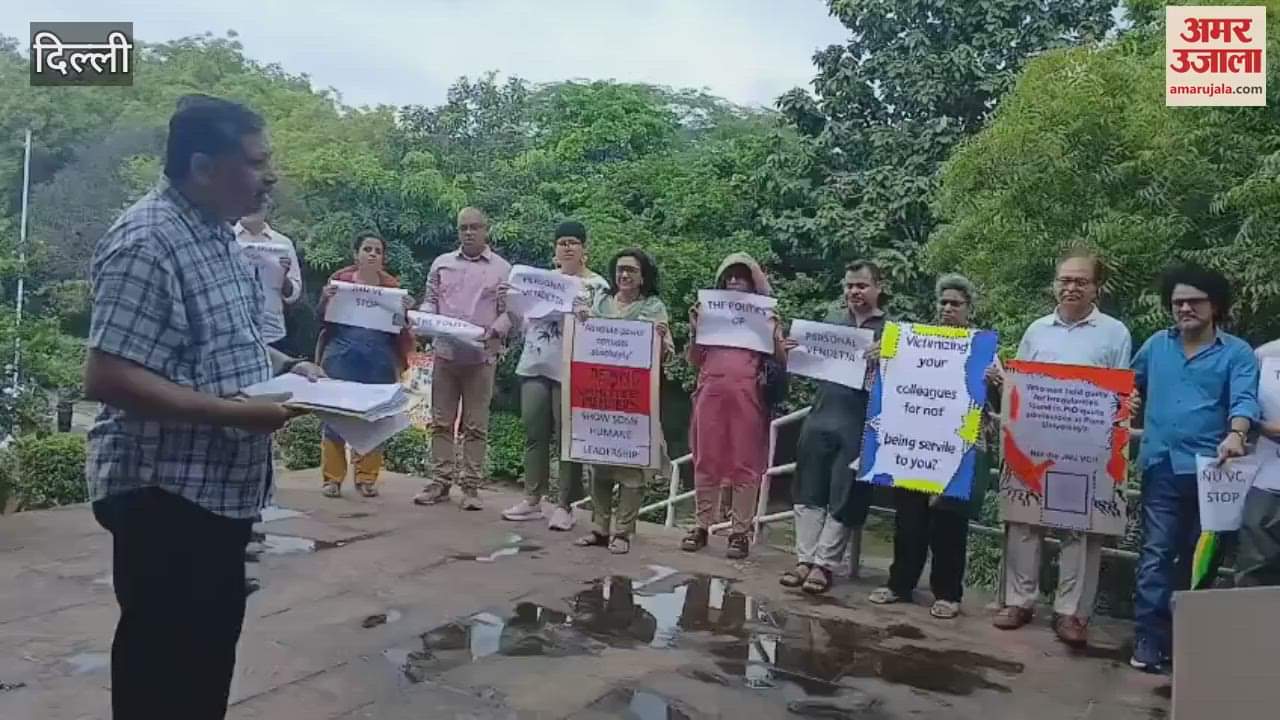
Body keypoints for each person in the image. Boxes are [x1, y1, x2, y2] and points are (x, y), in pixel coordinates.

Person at [83, 95, 323, 720]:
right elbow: (108, 376)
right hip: (163, 494)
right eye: (256, 162)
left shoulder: (218, 236)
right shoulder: (147, 241)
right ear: (202, 166)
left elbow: (231, 344)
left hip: (218, 494)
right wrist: (233, 414)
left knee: (206, 659)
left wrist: (292, 368)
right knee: (162, 671)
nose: (270, 175)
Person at [988, 251, 1132, 647]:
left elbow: (1122, 394)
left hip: (1086, 449)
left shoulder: (1115, 332)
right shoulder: (1037, 330)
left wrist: (1127, 402)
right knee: (1024, 523)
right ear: (1054, 283)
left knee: (1080, 531)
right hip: (1035, 444)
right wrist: (1002, 382)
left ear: (1095, 287)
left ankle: (1071, 613)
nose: (1071, 287)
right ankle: (1019, 601)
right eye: (1064, 280)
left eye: (1080, 281)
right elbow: (1020, 389)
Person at [1129, 263, 1259, 672]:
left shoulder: (1236, 353)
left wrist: (1237, 434)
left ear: (1214, 305)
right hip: (1161, 465)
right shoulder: (1155, 345)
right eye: (1177, 302)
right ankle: (1149, 640)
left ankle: (1186, 643)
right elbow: (1128, 384)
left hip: (1213, 471)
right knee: (1156, 552)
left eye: (1193, 301)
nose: (1184, 308)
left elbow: (1244, 402)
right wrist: (1128, 399)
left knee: (1199, 558)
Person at [869, 274, 991, 619]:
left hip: (958, 450)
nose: (948, 308)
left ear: (969, 308)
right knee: (908, 521)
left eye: (956, 303)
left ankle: (948, 594)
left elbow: (993, 405)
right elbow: (893, 383)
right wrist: (883, 357)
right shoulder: (916, 343)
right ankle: (899, 584)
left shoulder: (981, 349)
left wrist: (995, 382)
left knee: (950, 527)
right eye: (944, 302)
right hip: (915, 445)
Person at [779, 261, 887, 595]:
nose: (855, 291)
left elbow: (906, 380)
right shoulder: (830, 324)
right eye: (850, 285)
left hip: (861, 419)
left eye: (862, 285)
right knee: (809, 487)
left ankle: (824, 565)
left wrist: (887, 357)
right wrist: (788, 353)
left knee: (845, 490)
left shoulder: (892, 330)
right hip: (823, 412)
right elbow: (806, 367)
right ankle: (803, 559)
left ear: (878, 288)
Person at [502, 221, 610, 529]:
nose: (567, 247)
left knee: (568, 438)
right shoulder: (538, 281)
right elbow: (519, 318)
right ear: (554, 249)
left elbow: (603, 328)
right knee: (534, 433)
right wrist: (506, 299)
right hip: (535, 362)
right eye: (562, 242)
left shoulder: (597, 286)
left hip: (574, 368)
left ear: (584, 249)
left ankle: (565, 505)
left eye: (573, 242)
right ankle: (532, 499)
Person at [682, 252, 786, 559]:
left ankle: (740, 532)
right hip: (710, 392)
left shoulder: (764, 316)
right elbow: (693, 360)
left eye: (741, 276)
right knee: (705, 460)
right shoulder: (709, 313)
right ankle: (701, 525)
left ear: (753, 282)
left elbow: (782, 361)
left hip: (748, 395)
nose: (734, 281)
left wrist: (775, 336)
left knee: (746, 463)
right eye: (729, 276)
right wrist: (694, 329)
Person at [573, 248, 673, 555]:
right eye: (620, 270)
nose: (624, 275)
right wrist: (581, 319)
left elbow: (667, 351)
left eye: (631, 270)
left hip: (635, 400)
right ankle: (600, 528)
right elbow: (580, 336)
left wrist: (661, 336)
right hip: (598, 396)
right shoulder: (599, 302)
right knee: (599, 463)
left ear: (643, 276)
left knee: (632, 469)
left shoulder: (653, 308)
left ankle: (623, 532)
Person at [413, 207, 514, 511]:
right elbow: (430, 299)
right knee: (441, 422)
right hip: (445, 353)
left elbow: (511, 311)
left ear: (487, 230)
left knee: (476, 425)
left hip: (482, 356)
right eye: (463, 228)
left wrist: (494, 331)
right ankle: (441, 481)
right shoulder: (442, 264)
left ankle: (471, 486)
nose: (469, 232)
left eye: (475, 227)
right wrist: (425, 319)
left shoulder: (503, 269)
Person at [315, 231, 415, 499]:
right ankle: (332, 479)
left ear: (383, 258)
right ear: (356, 254)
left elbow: (401, 329)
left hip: (378, 359)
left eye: (377, 251)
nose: (372, 254)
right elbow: (321, 319)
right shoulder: (339, 281)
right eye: (367, 249)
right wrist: (326, 298)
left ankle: (366, 478)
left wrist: (406, 311)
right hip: (341, 356)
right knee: (335, 418)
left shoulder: (393, 288)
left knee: (375, 418)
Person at [1236, 339, 1280, 587]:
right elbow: (1242, 402)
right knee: (1256, 563)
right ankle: (1253, 625)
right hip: (1265, 478)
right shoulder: (1264, 354)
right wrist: (1257, 425)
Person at [234, 201, 301, 350]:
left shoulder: (283, 243)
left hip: (272, 332)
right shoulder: (226, 238)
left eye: (257, 202)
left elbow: (293, 294)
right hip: (234, 333)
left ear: (267, 206)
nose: (251, 206)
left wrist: (283, 277)